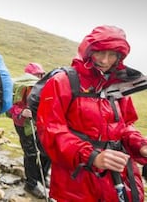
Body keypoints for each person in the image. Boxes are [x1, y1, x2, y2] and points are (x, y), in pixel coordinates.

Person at [36, 25, 147, 201]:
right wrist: (91, 156)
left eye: (112, 55)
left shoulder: (118, 86)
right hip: (77, 180)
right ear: (89, 52)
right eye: (100, 53)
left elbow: (125, 126)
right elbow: (50, 129)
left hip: (117, 174)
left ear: (120, 57)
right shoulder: (62, 81)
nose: (105, 60)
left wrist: (140, 145)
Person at [7, 62, 50, 199]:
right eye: (37, 74)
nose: (39, 77)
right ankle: (31, 184)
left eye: (41, 74)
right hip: (22, 124)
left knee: (47, 149)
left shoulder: (41, 87)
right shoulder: (20, 87)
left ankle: (40, 175)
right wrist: (22, 112)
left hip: (38, 123)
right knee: (31, 153)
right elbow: (9, 107)